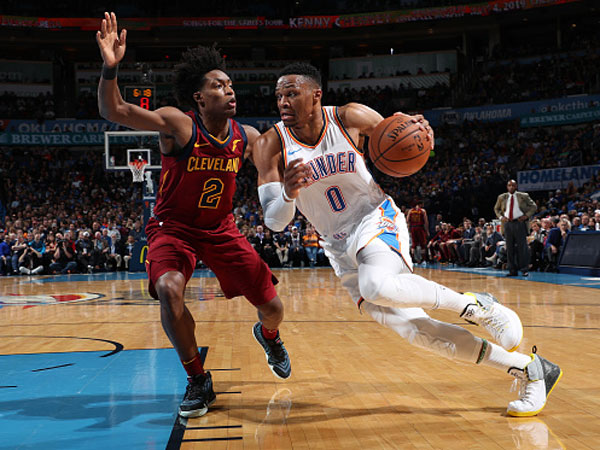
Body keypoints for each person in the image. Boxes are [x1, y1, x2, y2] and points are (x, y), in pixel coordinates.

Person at [253, 62, 561, 417]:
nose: (283, 102)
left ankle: (475, 306)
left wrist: (423, 132)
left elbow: (405, 136)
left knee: (376, 284)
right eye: (279, 96)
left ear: (315, 95)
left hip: (374, 218)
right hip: (338, 248)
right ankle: (530, 370)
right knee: (418, 331)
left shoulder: (349, 116)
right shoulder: (269, 145)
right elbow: (275, 222)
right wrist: (289, 193)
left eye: (292, 93)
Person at [96, 12, 291, 418]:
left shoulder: (248, 137)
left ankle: (269, 335)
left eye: (231, 84)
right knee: (168, 288)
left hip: (222, 230)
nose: (229, 90)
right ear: (199, 98)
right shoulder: (178, 125)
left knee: (274, 308)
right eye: (218, 85)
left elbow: (278, 175)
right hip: (173, 229)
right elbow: (114, 111)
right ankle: (198, 379)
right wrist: (110, 68)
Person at [494, 180, 537, 277]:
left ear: (516, 186)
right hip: (508, 224)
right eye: (509, 185)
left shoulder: (523, 195)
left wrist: (526, 216)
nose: (511, 187)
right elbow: (496, 209)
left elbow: (533, 206)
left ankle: (524, 269)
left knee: (522, 248)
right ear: (507, 187)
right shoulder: (502, 197)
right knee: (509, 248)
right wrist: (501, 217)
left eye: (513, 185)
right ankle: (512, 270)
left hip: (519, 223)